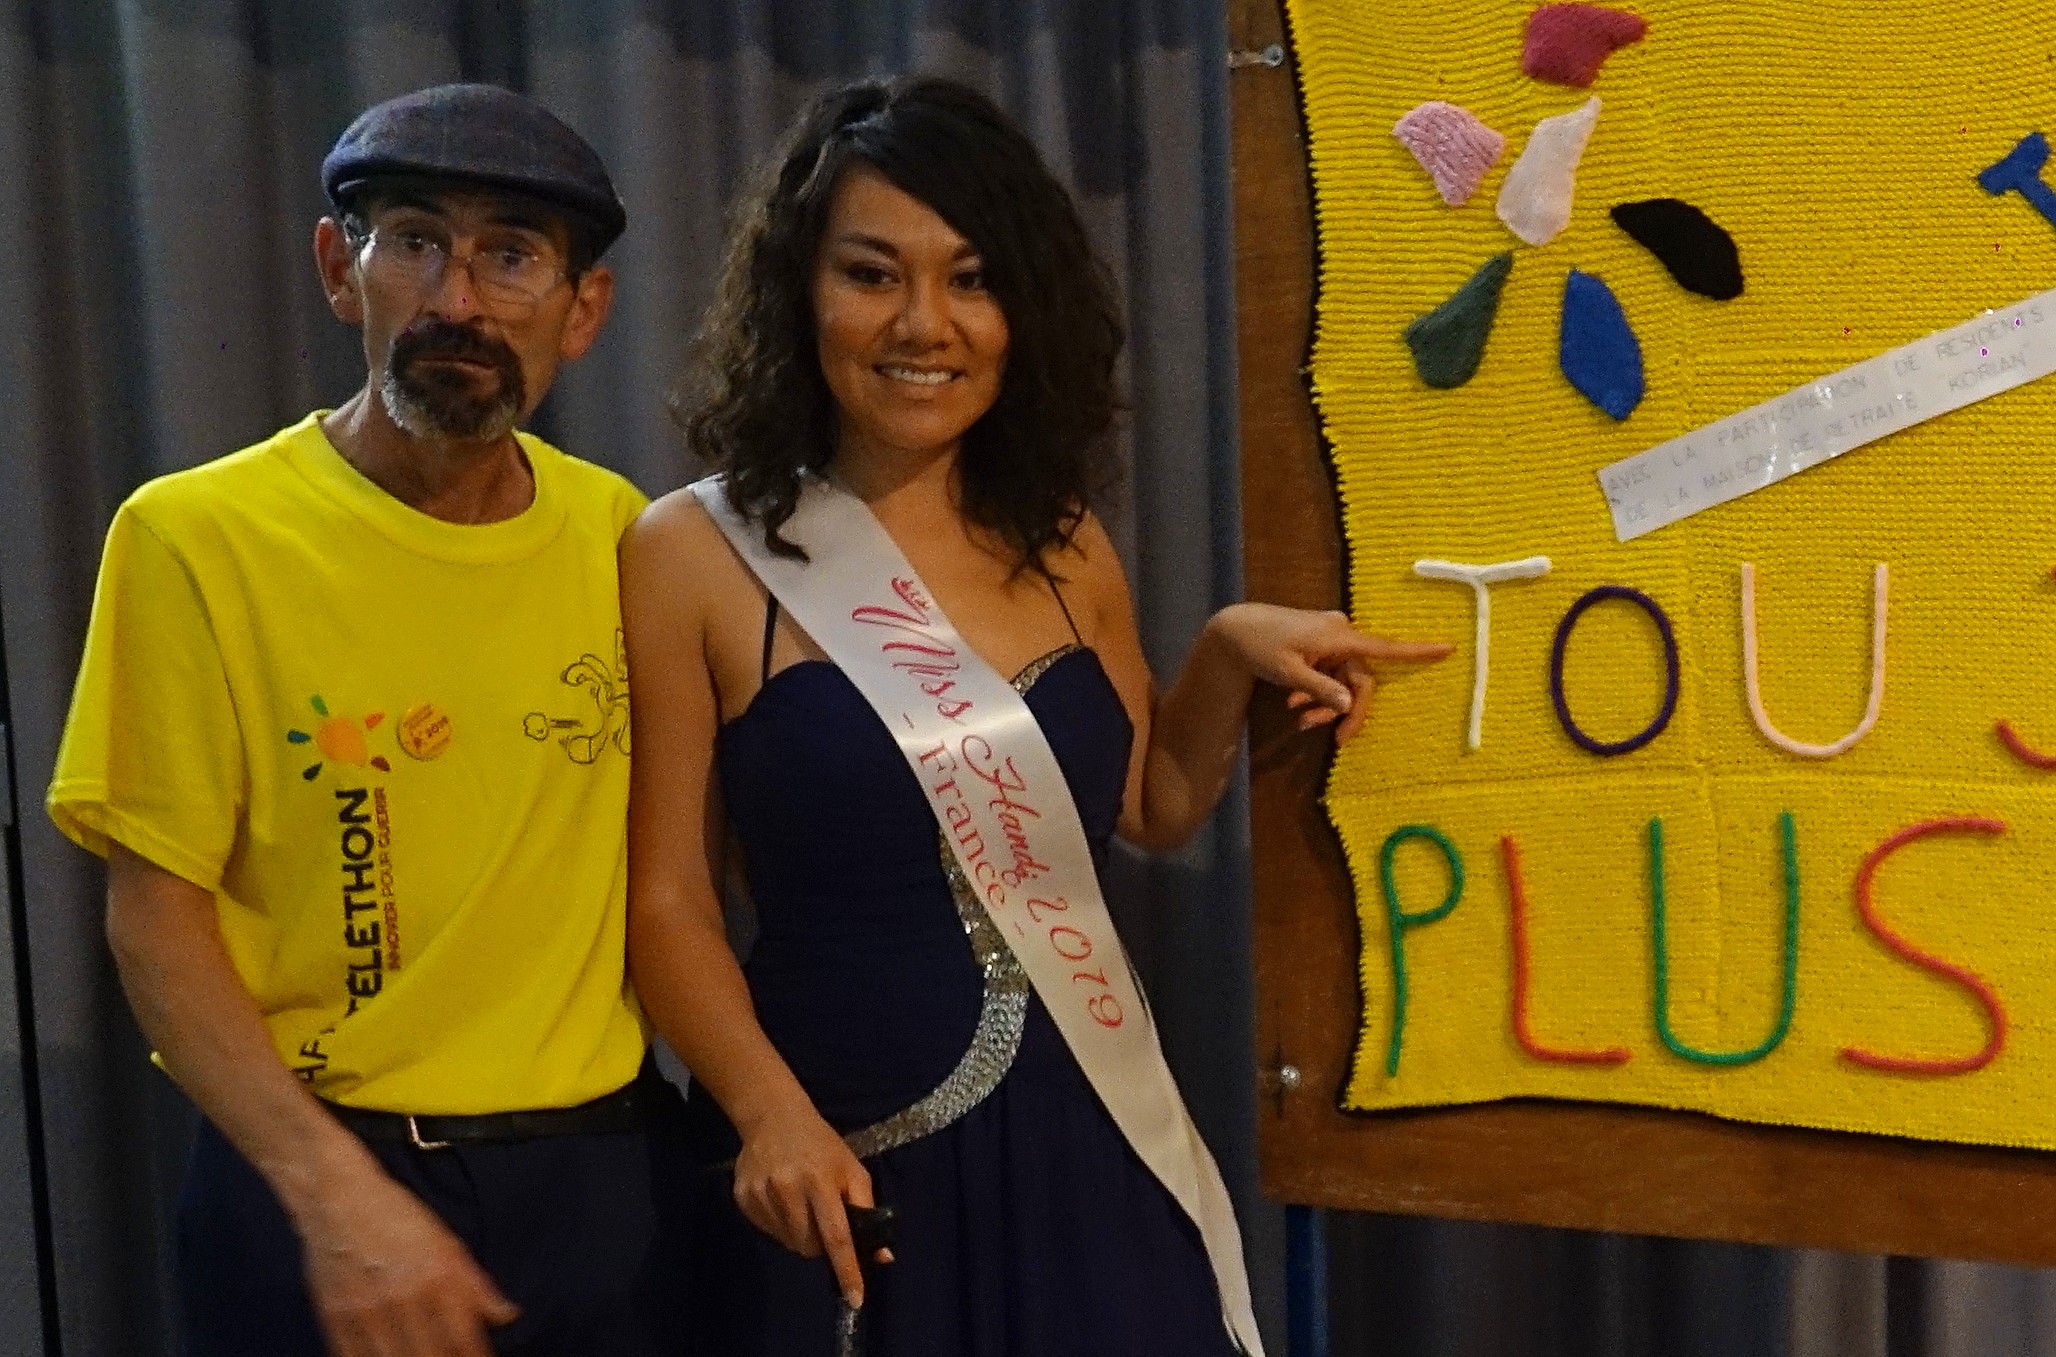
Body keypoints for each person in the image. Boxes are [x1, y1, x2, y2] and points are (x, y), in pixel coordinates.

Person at [622, 77, 1448, 1356]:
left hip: (1092, 1149)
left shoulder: (1060, 538)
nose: (924, 323)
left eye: (972, 279)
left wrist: (1226, 650)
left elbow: (1151, 806)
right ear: (799, 290)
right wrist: (766, 1113)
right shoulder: (691, 550)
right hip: (851, 1165)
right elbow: (668, 899)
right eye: (871, 274)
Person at [47, 84, 688, 1357]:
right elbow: (156, 921)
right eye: (416, 241)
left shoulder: (626, 534)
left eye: (512, 255)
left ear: (585, 309)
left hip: (605, 1182)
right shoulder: (194, 537)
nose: (460, 300)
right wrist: (331, 1191)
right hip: (319, 1180)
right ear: (341, 269)